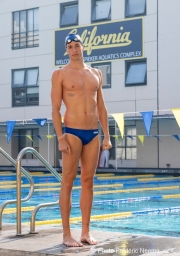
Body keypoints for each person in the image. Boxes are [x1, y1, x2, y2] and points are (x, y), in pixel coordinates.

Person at [51, 33, 112, 247]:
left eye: (77, 45)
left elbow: (102, 107)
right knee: (67, 181)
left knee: (88, 182)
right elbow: (55, 108)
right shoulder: (60, 74)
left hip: (93, 133)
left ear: (83, 47)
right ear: (66, 50)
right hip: (72, 133)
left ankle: (85, 232)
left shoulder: (95, 73)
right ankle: (67, 234)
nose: (74, 49)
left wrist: (107, 134)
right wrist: (60, 136)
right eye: (70, 46)